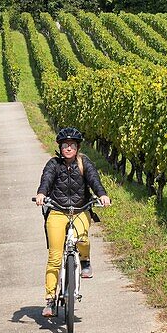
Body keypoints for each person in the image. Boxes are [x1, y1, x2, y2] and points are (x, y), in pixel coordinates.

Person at [34, 127, 110, 318]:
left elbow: (94, 180)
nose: (68, 148)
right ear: (60, 147)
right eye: (65, 145)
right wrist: (42, 194)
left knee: (82, 238)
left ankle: (85, 261)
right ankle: (50, 300)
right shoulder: (53, 164)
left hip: (80, 210)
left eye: (72, 145)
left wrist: (102, 195)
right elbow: (46, 180)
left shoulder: (85, 163)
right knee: (55, 256)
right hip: (58, 211)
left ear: (77, 147)